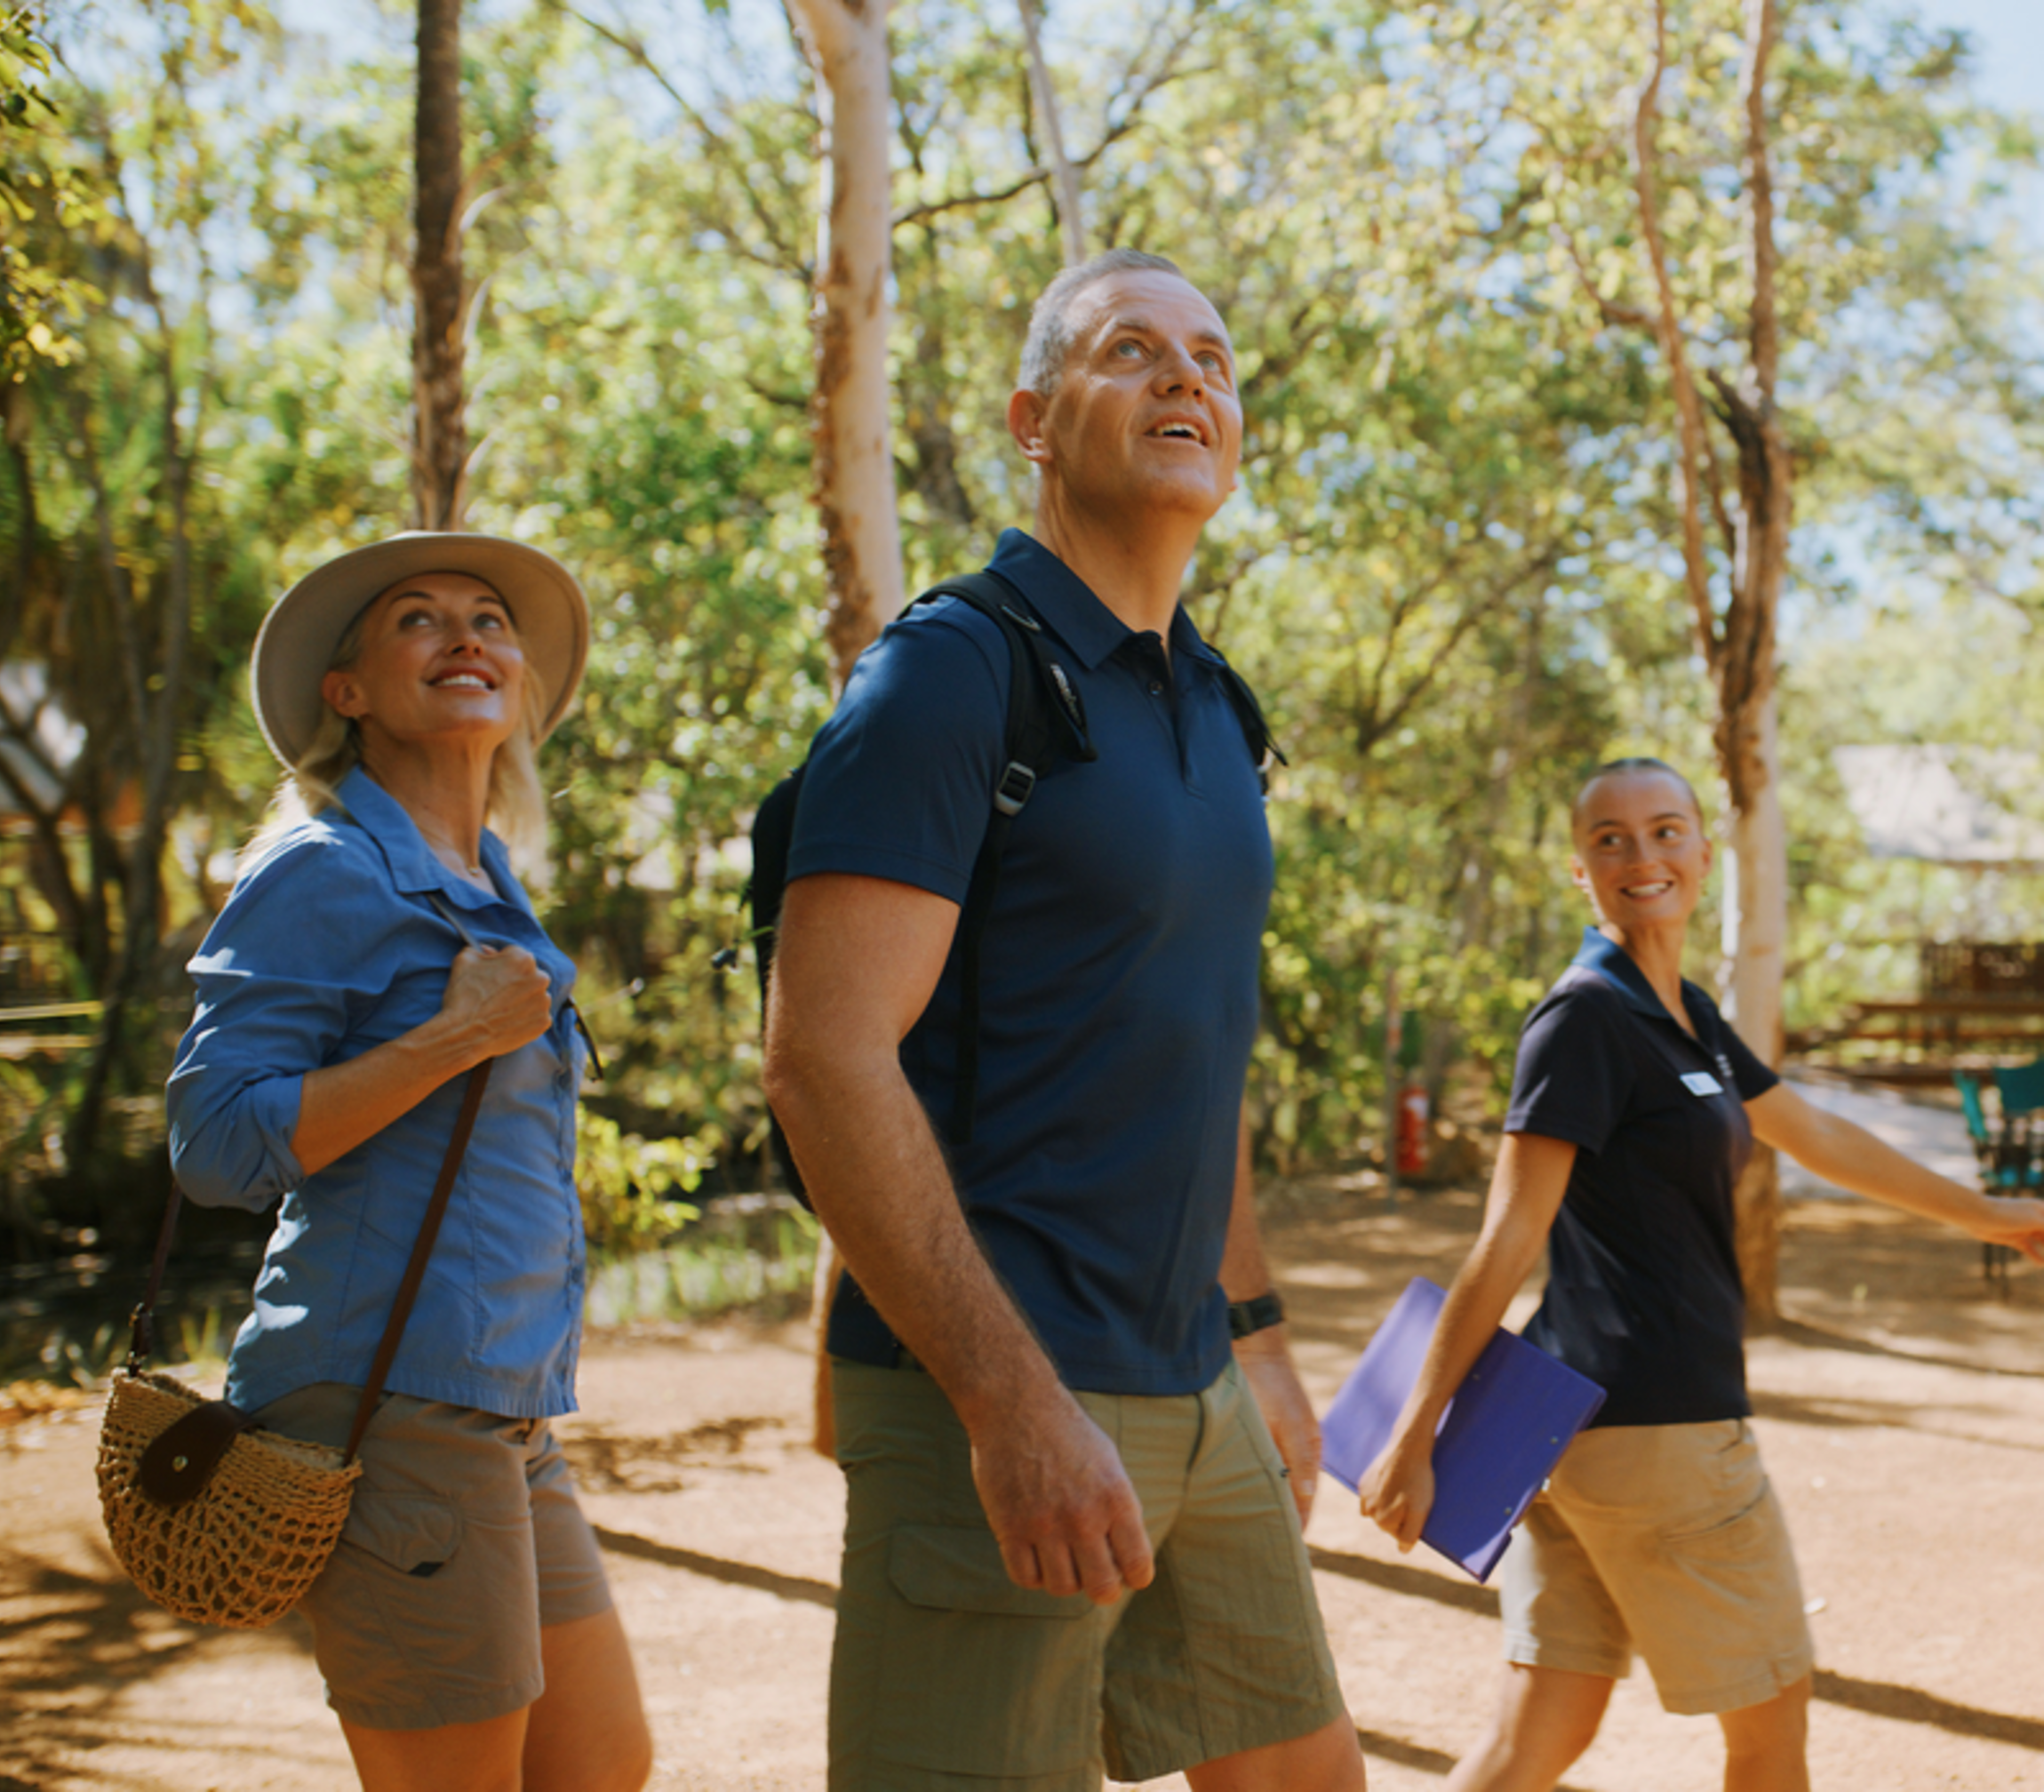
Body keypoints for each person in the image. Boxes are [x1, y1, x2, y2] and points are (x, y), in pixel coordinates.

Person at [763, 249, 1368, 1792]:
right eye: (1132, 351)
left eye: (1214, 360)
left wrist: (1261, 1340)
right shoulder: (949, 676)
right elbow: (824, 1056)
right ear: (1035, 418)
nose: (1188, 378)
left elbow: (1192, 1049)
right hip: (1001, 1393)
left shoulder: (1221, 710)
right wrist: (1010, 1403)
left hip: (1194, 1383)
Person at [1358, 756, 2044, 1792]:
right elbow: (1508, 1237)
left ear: (1704, 854)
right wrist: (1414, 1435)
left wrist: (1993, 1215)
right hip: (1660, 1433)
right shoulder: (1582, 1020)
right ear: (1578, 872)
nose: (1644, 855)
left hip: (1581, 1440)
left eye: (1667, 830)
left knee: (1539, 1733)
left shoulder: (1684, 1013)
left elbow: (1813, 1132)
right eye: (1612, 839)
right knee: (1771, 1732)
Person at [166, 534, 652, 1792]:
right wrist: (450, 1040)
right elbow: (215, 1144)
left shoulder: (486, 883)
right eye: (419, 623)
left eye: (490, 619)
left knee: (601, 1765)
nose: (468, 637)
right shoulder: (321, 868)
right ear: (350, 694)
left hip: (500, 1404)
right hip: (388, 1402)